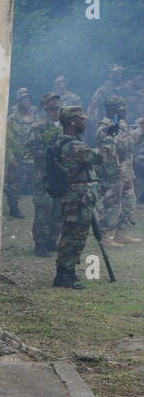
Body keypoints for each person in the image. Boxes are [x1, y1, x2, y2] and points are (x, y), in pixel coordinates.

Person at [51, 106, 104, 289]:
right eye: (82, 118)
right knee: (73, 235)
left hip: (78, 197)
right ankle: (63, 276)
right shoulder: (73, 145)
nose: (85, 121)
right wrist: (107, 138)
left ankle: (69, 271)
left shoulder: (67, 141)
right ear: (72, 122)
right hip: (77, 197)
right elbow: (98, 157)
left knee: (76, 235)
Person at [98, 97, 140, 245]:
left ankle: (121, 233)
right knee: (112, 203)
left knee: (129, 202)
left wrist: (140, 131)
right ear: (112, 110)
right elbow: (114, 149)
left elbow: (130, 142)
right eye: (121, 108)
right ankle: (104, 236)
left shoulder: (121, 124)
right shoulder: (106, 127)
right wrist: (117, 176)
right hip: (113, 173)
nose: (125, 111)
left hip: (126, 171)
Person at [30, 92, 63, 256]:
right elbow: (31, 149)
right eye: (52, 103)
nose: (55, 105)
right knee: (44, 209)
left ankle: (52, 240)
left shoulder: (65, 124)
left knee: (58, 209)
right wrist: (49, 153)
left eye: (57, 103)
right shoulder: (39, 126)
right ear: (45, 106)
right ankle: (40, 243)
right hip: (43, 175)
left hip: (60, 176)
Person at [4, 88, 39, 218]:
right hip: (18, 157)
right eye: (24, 100)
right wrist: (10, 156)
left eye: (28, 99)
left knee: (32, 183)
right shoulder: (12, 119)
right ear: (19, 102)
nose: (27, 102)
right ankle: (13, 207)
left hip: (30, 156)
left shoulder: (33, 117)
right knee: (14, 184)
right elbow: (8, 140)